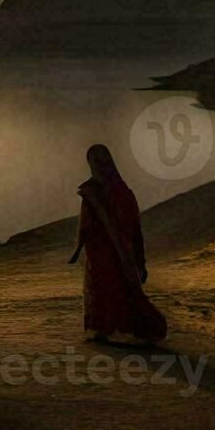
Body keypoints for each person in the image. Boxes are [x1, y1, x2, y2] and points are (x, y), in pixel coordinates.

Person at [68, 144, 167, 344]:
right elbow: (134, 227)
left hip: (104, 252)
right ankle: (107, 329)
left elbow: (86, 224)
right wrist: (137, 257)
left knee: (106, 287)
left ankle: (109, 329)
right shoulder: (122, 192)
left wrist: (78, 248)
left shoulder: (94, 192)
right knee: (115, 287)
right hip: (118, 250)